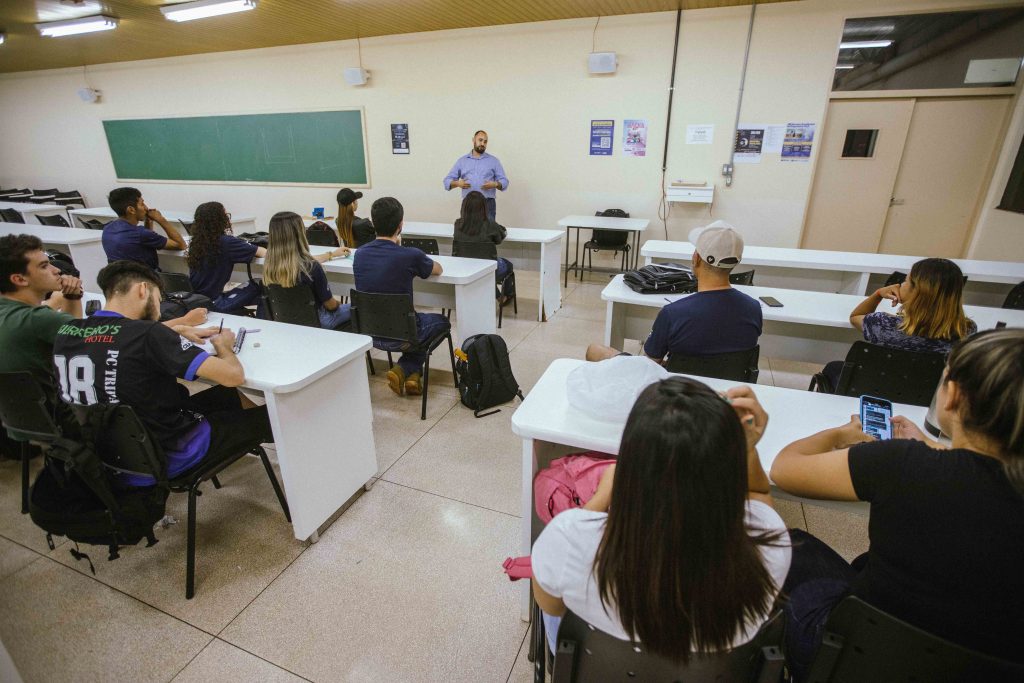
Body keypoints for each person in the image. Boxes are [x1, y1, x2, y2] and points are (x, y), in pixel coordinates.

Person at [771, 329, 1024, 679]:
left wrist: (842, 434)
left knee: (790, 544)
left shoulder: (902, 464)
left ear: (952, 397)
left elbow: (785, 468)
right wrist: (934, 450)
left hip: (848, 659)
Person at [532, 378, 791, 659]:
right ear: (727, 472)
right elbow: (756, 492)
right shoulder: (770, 547)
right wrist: (747, 446)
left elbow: (551, 606)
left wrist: (603, 495)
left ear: (629, 464)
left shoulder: (568, 540)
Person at [52, 260, 273, 486]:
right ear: (143, 289)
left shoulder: (67, 331)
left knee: (229, 396)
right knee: (271, 417)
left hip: (111, 456)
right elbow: (232, 376)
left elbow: (119, 338)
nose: (158, 311)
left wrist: (172, 332)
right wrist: (223, 344)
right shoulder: (148, 334)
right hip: (166, 454)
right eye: (158, 300)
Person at [586, 223, 761, 363]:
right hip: (728, 390)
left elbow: (651, 363)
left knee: (595, 351)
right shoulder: (753, 309)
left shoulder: (673, 313)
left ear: (696, 258)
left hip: (676, 391)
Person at [818, 257, 977, 388]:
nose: (901, 284)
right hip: (926, 397)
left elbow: (856, 316)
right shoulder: (967, 331)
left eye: (907, 282)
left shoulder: (884, 324)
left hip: (875, 389)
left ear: (917, 292)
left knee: (834, 367)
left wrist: (878, 294)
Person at [352, 197, 447, 397]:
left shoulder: (360, 254)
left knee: (410, 324)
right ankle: (405, 368)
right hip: (403, 336)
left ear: (373, 223)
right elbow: (437, 269)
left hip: (370, 333)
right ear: (400, 224)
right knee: (441, 322)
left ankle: (412, 374)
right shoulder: (410, 255)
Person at [0, 234, 83, 424]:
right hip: (59, 418)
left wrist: (65, 299)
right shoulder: (38, 319)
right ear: (19, 279)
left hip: (17, 419)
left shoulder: (13, 312)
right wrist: (73, 297)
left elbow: (68, 334)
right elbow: (80, 344)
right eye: (44, 266)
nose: (56, 271)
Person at [262, 211, 350, 330]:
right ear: (299, 233)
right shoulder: (312, 267)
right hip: (319, 321)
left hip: (286, 320)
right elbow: (331, 306)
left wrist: (331, 254)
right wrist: (340, 305)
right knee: (357, 307)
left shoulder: (269, 266)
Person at [186, 201, 266, 314]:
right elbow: (263, 253)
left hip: (195, 302)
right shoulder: (227, 243)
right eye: (226, 215)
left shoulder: (196, 243)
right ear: (220, 220)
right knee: (260, 284)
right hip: (215, 304)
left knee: (260, 298)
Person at [101, 187, 187, 270]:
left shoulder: (108, 228)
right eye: (142, 204)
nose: (146, 208)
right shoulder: (140, 234)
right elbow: (181, 245)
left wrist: (148, 222)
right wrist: (160, 219)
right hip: (146, 280)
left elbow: (144, 241)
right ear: (131, 210)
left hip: (120, 279)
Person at [454, 190, 514, 298]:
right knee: (508, 265)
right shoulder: (490, 225)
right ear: (484, 208)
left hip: (463, 268)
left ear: (464, 207)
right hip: (488, 270)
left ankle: (496, 294)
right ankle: (505, 296)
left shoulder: (458, 224)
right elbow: (499, 238)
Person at [443, 130, 509, 221]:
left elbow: (504, 181)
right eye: (480, 140)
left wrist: (495, 184)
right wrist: (458, 183)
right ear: (473, 140)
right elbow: (446, 181)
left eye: (485, 142)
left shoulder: (494, 161)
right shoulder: (462, 161)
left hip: (488, 204)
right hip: (468, 204)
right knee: (467, 232)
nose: (482, 143)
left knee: (488, 233)